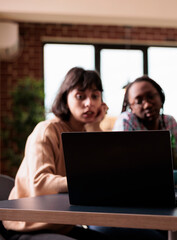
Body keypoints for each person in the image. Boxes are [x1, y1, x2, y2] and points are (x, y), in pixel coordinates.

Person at [4, 67, 110, 239]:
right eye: (80, 96)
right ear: (65, 98)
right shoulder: (47, 130)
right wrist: (89, 181)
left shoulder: (88, 133)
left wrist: (95, 128)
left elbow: (107, 176)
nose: (89, 103)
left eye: (95, 96)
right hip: (29, 226)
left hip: (62, 226)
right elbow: (40, 183)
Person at [113, 75, 177, 165]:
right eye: (138, 101)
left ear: (161, 98)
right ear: (131, 108)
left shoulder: (169, 122)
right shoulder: (126, 120)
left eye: (151, 96)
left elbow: (175, 162)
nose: (147, 105)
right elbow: (123, 164)